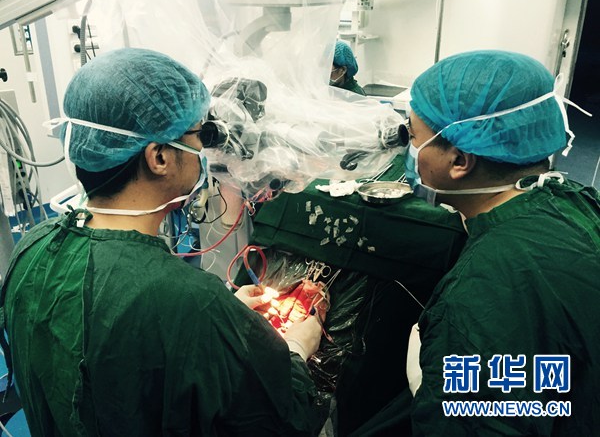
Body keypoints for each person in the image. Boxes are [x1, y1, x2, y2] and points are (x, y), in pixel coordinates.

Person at [0, 48, 325, 436]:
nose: (205, 151)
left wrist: (223, 323)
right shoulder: (190, 301)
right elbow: (279, 416)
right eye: (200, 135)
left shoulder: (31, 249)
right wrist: (295, 350)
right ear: (159, 158)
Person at [350, 50, 600, 436]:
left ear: (459, 162)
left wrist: (441, 366)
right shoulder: (571, 198)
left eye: (413, 136)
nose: (406, 147)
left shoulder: (481, 296)